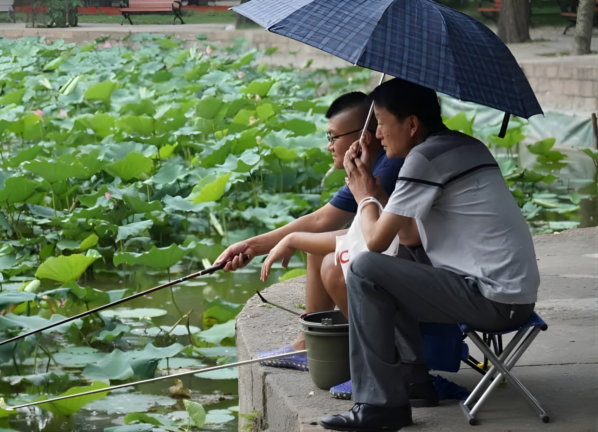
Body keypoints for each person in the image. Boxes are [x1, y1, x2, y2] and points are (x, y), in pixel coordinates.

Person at [310, 78, 539, 431]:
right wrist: (369, 180)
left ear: (412, 124)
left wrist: (363, 193)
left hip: (493, 300)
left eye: (382, 125)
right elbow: (409, 235)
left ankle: (378, 404)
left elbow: (372, 243)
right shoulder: (460, 146)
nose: (379, 136)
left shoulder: (424, 158)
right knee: (393, 262)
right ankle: (414, 382)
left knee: (365, 269)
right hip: (510, 295)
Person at [214, 91, 404, 369]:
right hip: (388, 256)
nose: (329, 146)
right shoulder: (367, 166)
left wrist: (293, 239)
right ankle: (307, 343)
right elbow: (321, 220)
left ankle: (375, 362)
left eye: (333, 137)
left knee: (330, 263)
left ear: (363, 135)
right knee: (317, 245)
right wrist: (252, 246)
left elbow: (368, 238)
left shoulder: (387, 171)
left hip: (408, 263)